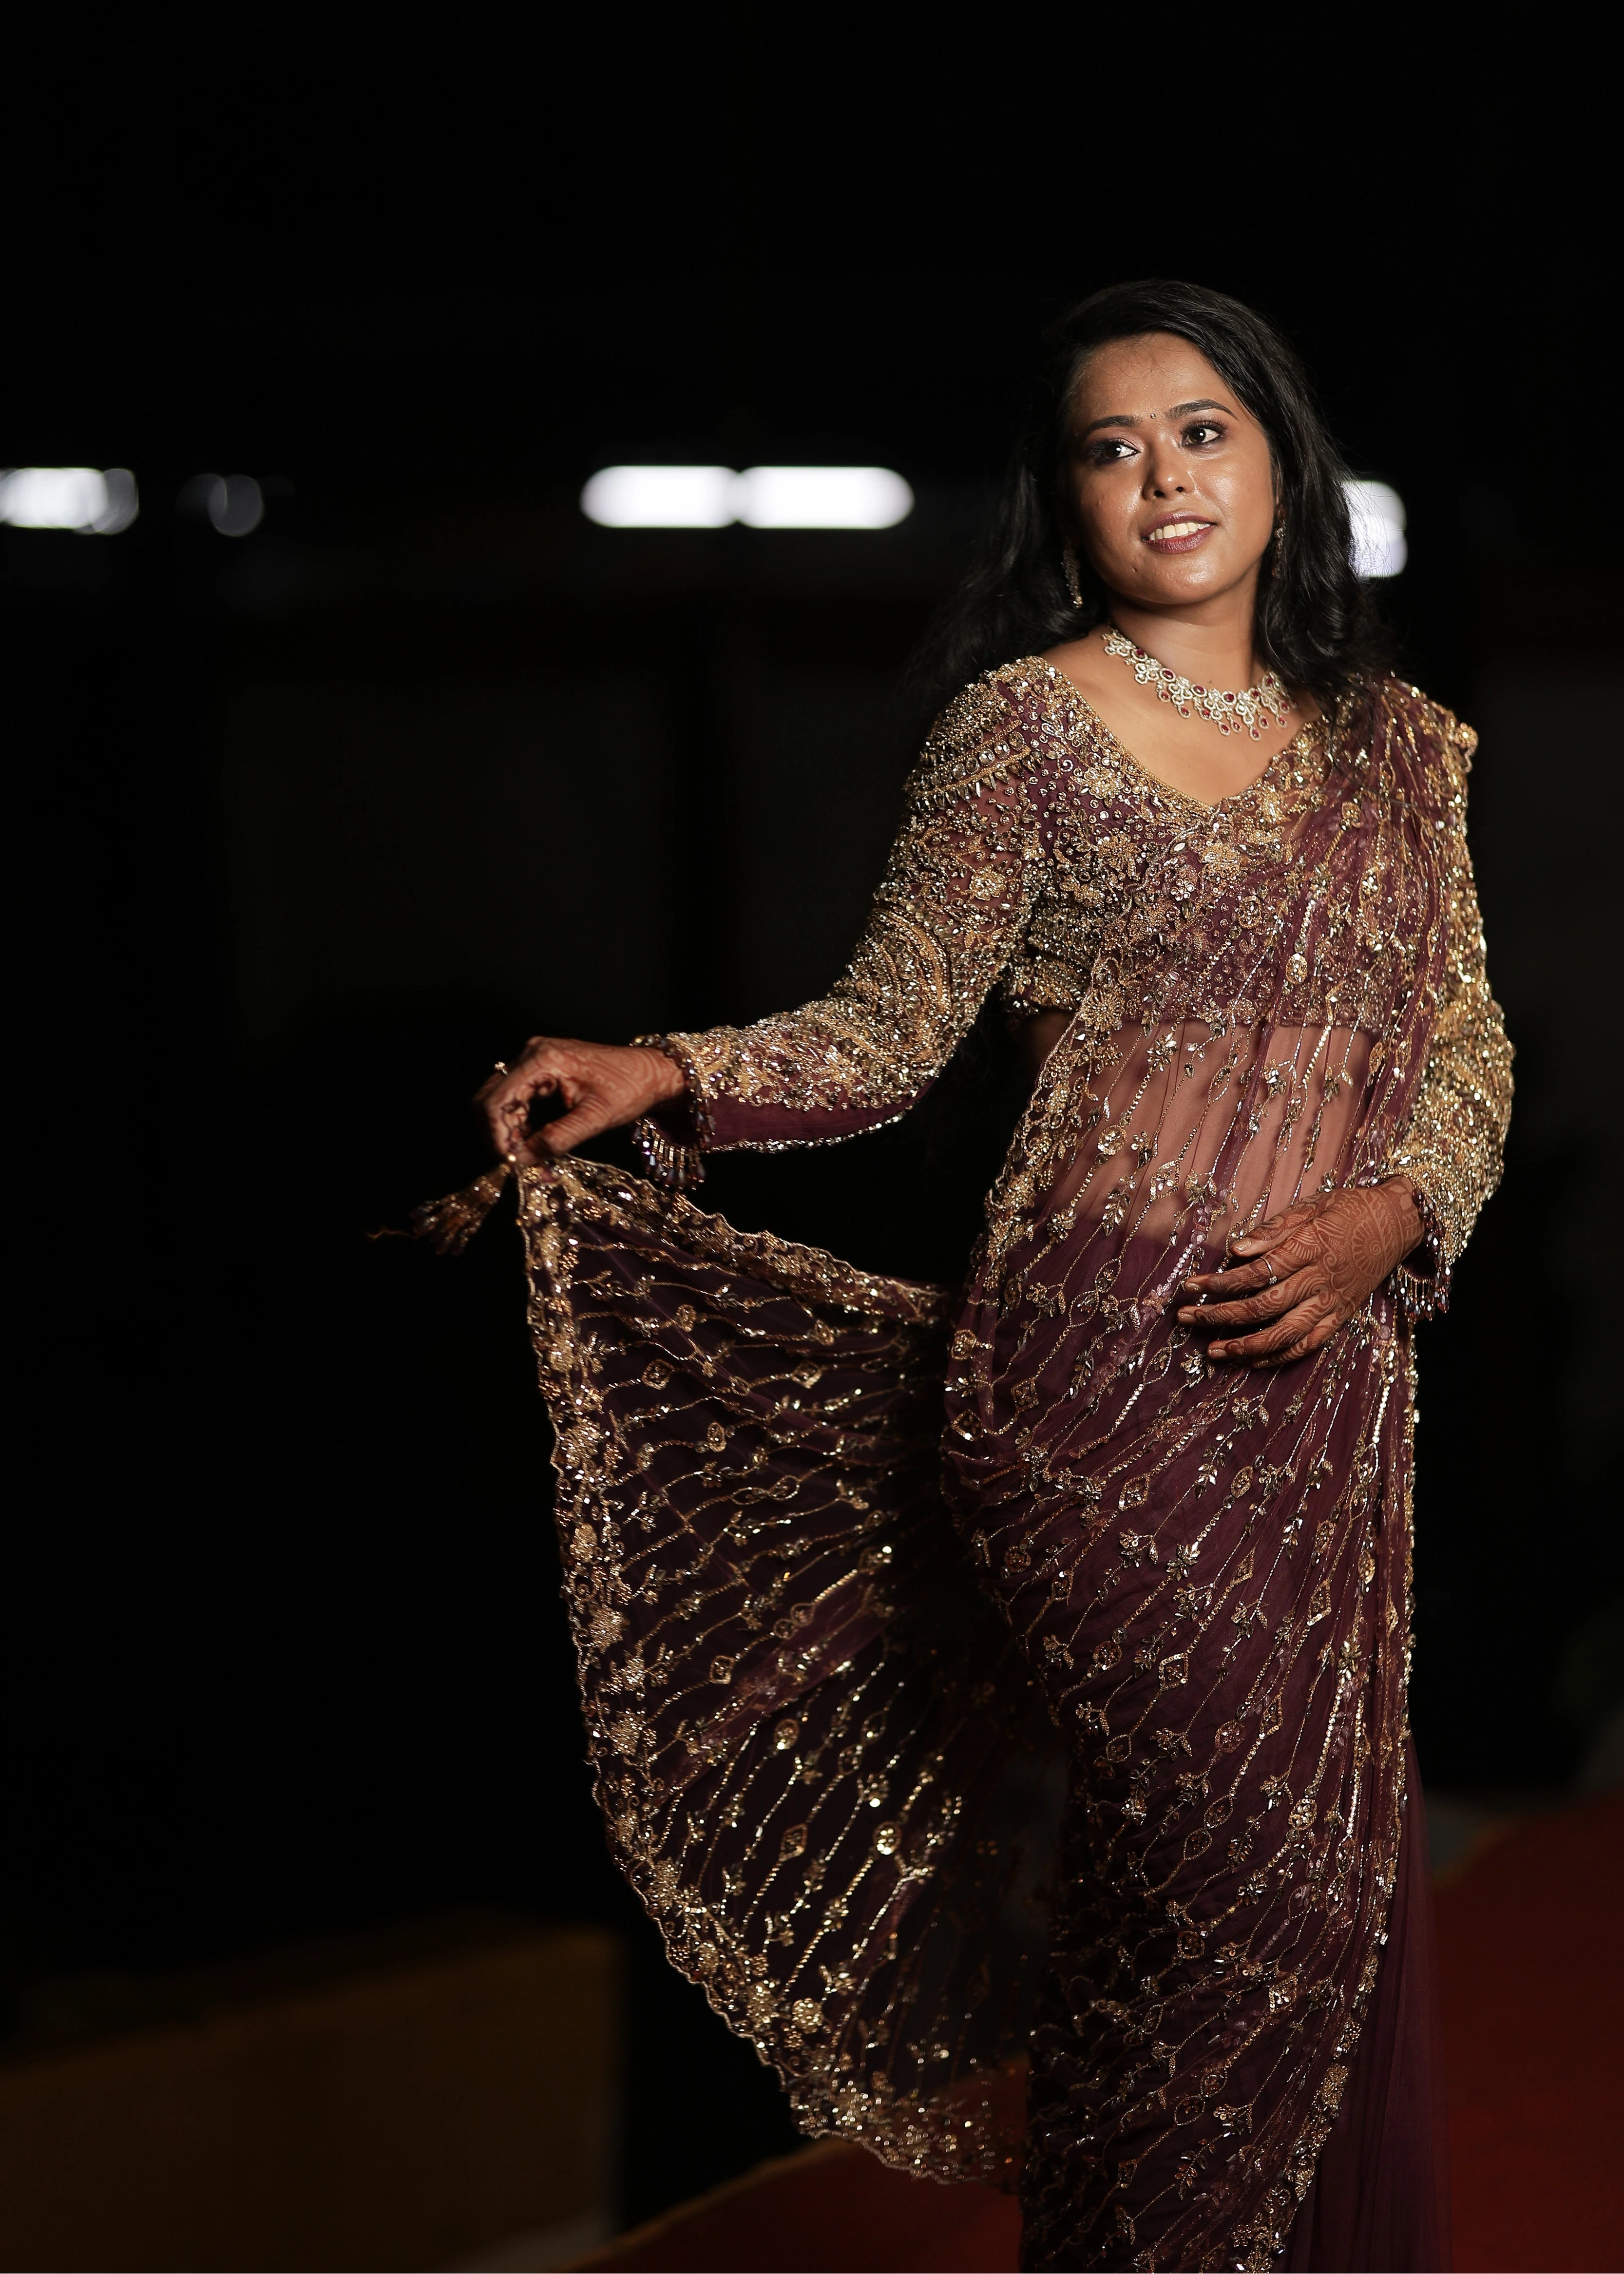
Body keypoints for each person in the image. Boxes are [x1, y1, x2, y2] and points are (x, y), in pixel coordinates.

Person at [444, 281, 1511, 2273]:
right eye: (1109, 447)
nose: (1161, 476)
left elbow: (1465, 1045)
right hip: (1089, 1383)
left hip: (1323, 1379)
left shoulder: (1399, 754)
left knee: (1282, 1888)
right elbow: (882, 1030)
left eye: (1198, 429)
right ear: (1065, 500)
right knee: (1237, 1883)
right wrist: (670, 1065)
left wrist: (1389, 1215)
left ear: (1279, 455)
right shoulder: (1017, 728)